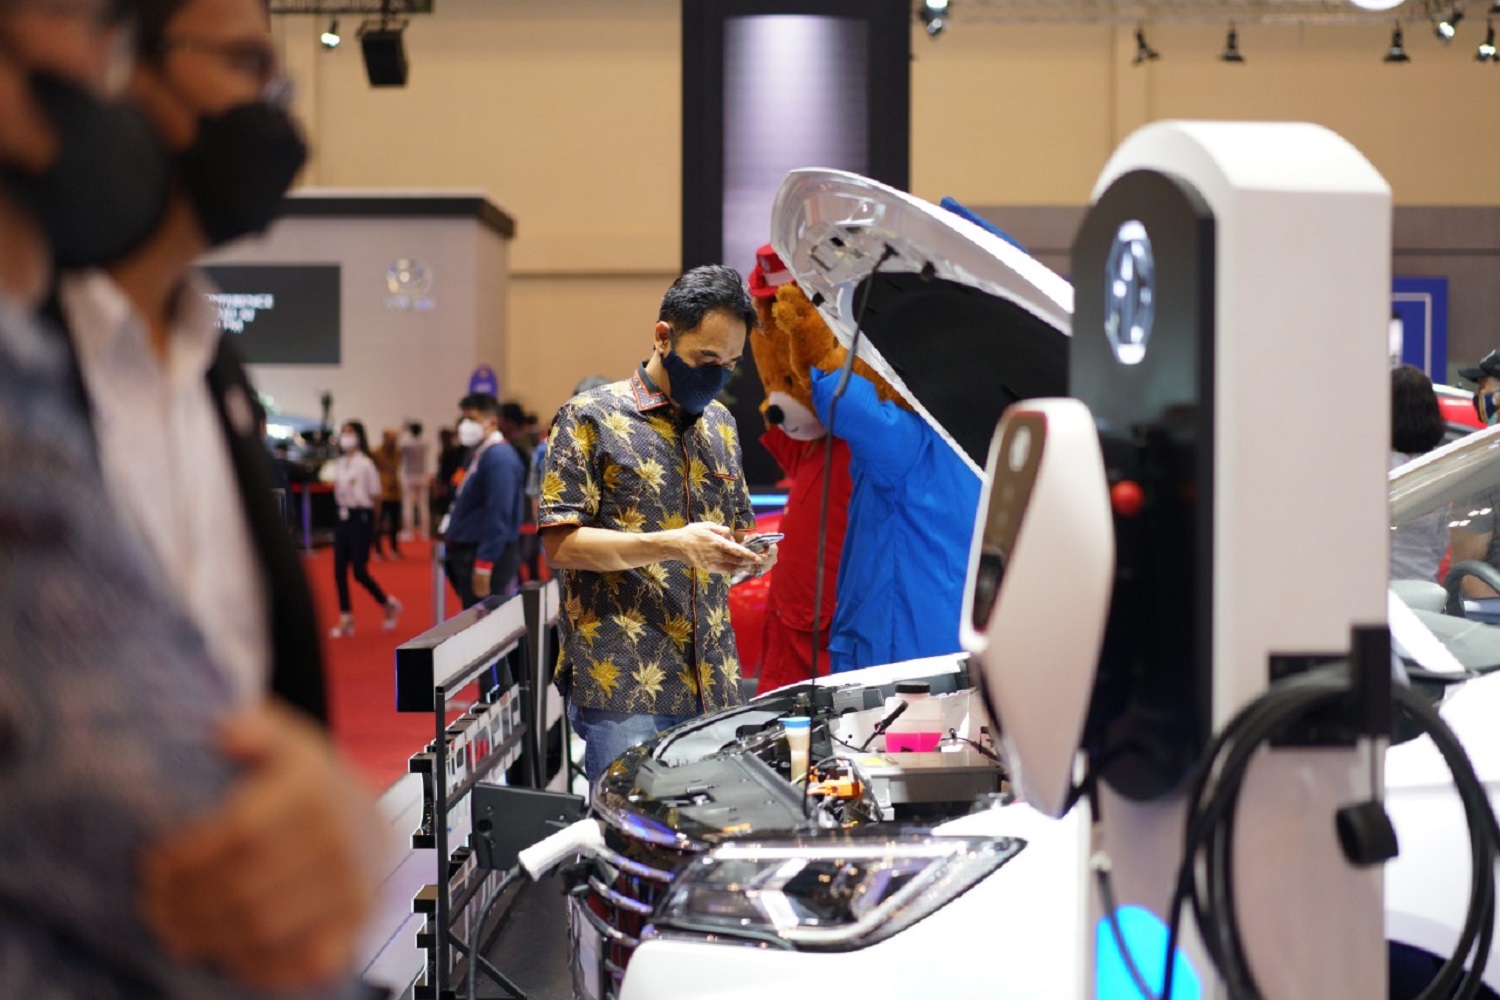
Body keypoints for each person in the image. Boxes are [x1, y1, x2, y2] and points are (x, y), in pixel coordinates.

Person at [0, 0, 381, 993]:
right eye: (244, 65)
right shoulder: (22, 369)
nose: (274, 112)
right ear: (123, 64)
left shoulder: (219, 372)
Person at [538, 265, 776, 782]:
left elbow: (736, 530)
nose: (717, 375)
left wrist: (750, 553)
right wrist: (671, 544)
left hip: (716, 678)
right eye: (705, 360)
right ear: (663, 337)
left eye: (730, 364)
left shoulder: (722, 425)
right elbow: (560, 544)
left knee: (715, 822)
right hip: (625, 684)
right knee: (632, 827)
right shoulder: (589, 417)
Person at [442, 393, 528, 608]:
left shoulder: (499, 457)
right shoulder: (478, 452)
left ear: (491, 422)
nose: (465, 425)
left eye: (472, 419)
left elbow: (499, 513)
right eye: (463, 419)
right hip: (468, 550)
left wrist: (484, 563)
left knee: (484, 619)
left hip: (484, 554)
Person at [328, 420, 403, 637]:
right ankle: (346, 617)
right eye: (344, 433)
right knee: (339, 570)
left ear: (359, 436)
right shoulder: (341, 463)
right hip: (343, 516)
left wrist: (375, 526)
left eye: (350, 432)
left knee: (359, 571)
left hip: (361, 518)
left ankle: (386, 603)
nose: (346, 437)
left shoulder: (366, 464)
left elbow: (376, 495)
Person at [1389, 365, 1449, 582]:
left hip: (1381, 592)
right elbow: (1441, 542)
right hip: (1426, 589)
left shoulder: (1370, 470)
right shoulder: (1442, 469)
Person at [372, 425, 403, 558]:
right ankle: (378, 549)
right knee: (378, 522)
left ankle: (394, 548)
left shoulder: (398, 452)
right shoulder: (377, 453)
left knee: (395, 523)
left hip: (395, 492)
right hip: (382, 492)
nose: (392, 441)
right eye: (390, 438)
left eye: (394, 438)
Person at [400, 419, 429, 540]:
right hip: (422, 475)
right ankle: (425, 531)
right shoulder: (425, 443)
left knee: (408, 505)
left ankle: (409, 531)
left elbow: (399, 443)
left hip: (410, 476)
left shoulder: (407, 444)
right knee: (423, 505)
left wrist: (404, 429)